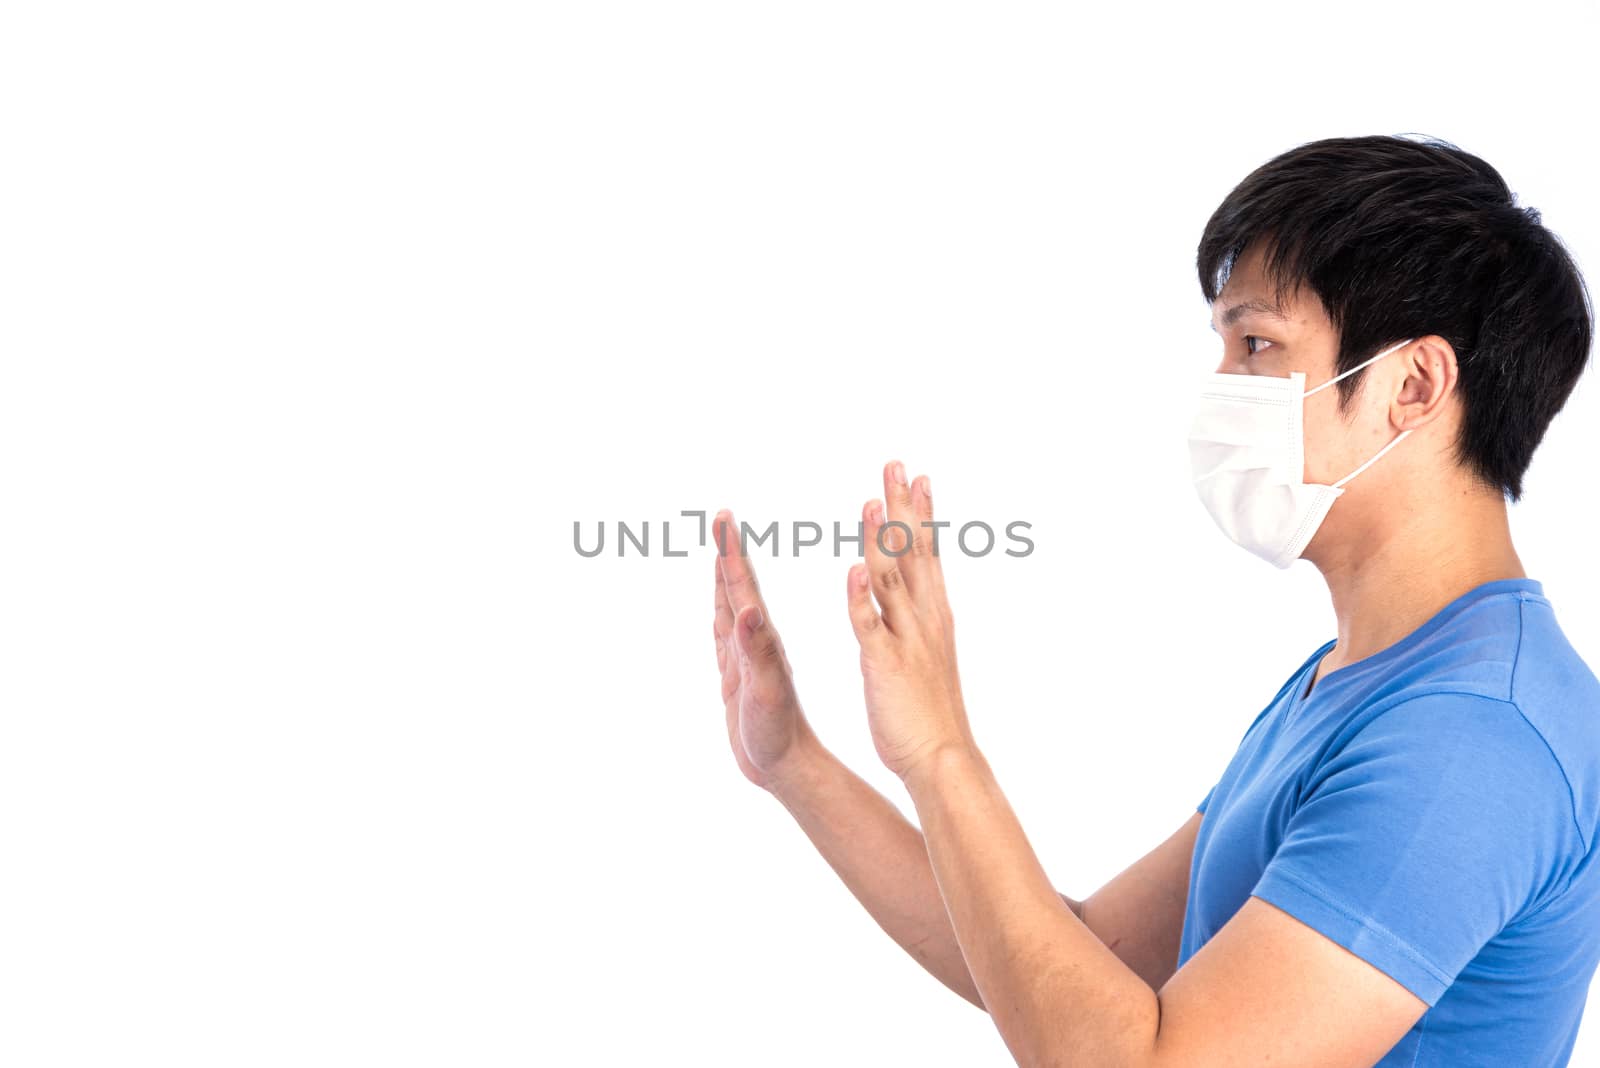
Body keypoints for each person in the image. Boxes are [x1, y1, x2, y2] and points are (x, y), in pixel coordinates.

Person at [709, 134, 1600, 1066]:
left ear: (1413, 385)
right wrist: (795, 764)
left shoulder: (1470, 735)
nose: (1222, 390)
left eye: (1257, 345)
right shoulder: (1366, 676)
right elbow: (1081, 963)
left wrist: (940, 750)